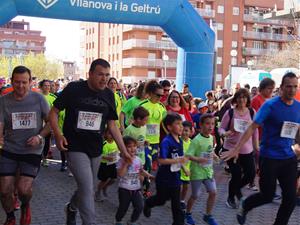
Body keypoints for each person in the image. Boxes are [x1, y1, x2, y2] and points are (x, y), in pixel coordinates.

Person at [49, 58, 131, 225]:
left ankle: (71, 207)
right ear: (90, 74)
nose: (104, 79)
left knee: (88, 188)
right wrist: (58, 134)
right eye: (100, 74)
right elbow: (53, 112)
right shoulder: (74, 89)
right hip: (75, 145)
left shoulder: (109, 94)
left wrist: (124, 150)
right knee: (87, 189)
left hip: (95, 147)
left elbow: (112, 125)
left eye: (107, 75)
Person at [221, 72, 300, 225]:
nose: (292, 90)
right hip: (269, 157)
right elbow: (252, 127)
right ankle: (246, 205)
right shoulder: (270, 105)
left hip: (288, 157)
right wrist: (237, 148)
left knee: (290, 199)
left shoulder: (298, 107)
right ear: (282, 88)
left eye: (295, 86)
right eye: (288, 86)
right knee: (267, 195)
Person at [0, 66, 50, 225]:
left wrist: (39, 136)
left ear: (30, 82)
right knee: (4, 190)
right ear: (11, 82)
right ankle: (10, 218)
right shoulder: (3, 101)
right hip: (9, 149)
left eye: (24, 82)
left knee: (23, 189)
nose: (20, 86)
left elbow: (50, 123)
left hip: (32, 150)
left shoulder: (39, 99)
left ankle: (26, 205)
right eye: (16, 82)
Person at [143, 113, 187, 225]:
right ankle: (148, 203)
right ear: (169, 127)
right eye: (177, 124)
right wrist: (179, 161)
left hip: (175, 178)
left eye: (181, 124)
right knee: (161, 200)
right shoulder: (166, 141)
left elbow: (178, 157)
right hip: (164, 179)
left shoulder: (180, 140)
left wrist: (184, 168)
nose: (181, 126)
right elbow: (161, 160)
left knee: (176, 206)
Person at [219, 88, 259, 209]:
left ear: (247, 99)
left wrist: (256, 145)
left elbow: (255, 129)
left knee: (251, 174)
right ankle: (231, 198)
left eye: (244, 97)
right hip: (231, 149)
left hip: (247, 149)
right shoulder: (230, 113)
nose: (242, 99)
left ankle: (236, 190)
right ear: (235, 99)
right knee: (236, 174)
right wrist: (225, 133)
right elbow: (221, 128)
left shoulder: (252, 112)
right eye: (239, 97)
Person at [185, 114, 219, 225]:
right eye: (208, 123)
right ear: (201, 125)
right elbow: (188, 155)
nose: (210, 126)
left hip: (208, 171)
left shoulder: (211, 138)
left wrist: (214, 155)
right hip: (197, 172)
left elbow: (209, 150)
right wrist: (198, 159)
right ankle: (188, 213)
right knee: (195, 195)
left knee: (213, 192)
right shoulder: (196, 140)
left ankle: (208, 215)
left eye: (213, 124)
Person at [115, 136, 153, 225]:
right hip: (124, 189)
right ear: (123, 148)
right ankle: (118, 221)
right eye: (129, 146)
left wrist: (147, 175)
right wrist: (126, 164)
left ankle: (131, 221)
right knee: (123, 207)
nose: (132, 149)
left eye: (134, 146)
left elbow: (140, 170)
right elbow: (120, 174)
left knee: (139, 206)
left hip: (136, 188)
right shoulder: (120, 160)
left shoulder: (138, 159)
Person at [123, 106, 151, 196]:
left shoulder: (144, 127)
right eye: (145, 120)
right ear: (138, 119)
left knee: (141, 177)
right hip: (131, 158)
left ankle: (137, 193)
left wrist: (145, 141)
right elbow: (123, 144)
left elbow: (143, 139)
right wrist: (134, 146)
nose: (146, 122)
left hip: (141, 157)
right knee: (136, 178)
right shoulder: (129, 130)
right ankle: (129, 193)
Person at [139, 80, 167, 171]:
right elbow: (135, 121)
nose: (160, 97)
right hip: (144, 140)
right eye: (158, 95)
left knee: (151, 165)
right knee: (146, 163)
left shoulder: (161, 107)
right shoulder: (143, 105)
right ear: (151, 93)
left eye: (162, 95)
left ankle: (146, 181)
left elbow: (164, 123)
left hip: (156, 140)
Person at [95, 129, 119, 202]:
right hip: (104, 164)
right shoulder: (104, 144)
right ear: (105, 134)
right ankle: (98, 192)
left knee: (114, 179)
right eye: (109, 134)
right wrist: (107, 157)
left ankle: (105, 187)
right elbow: (99, 155)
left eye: (112, 134)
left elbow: (118, 151)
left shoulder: (116, 142)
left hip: (112, 163)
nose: (111, 136)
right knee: (104, 180)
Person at [39, 79, 57, 166]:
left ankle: (45, 158)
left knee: (46, 141)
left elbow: (56, 112)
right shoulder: (37, 97)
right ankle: (37, 157)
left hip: (48, 124)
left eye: (48, 85)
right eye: (45, 85)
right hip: (38, 123)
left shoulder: (53, 97)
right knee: (38, 141)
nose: (47, 87)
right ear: (41, 87)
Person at [180, 121, 192, 211]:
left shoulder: (192, 143)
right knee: (178, 187)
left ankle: (182, 200)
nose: (185, 132)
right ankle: (176, 200)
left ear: (191, 132)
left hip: (187, 170)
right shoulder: (178, 142)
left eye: (187, 131)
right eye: (183, 130)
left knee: (186, 187)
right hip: (178, 169)